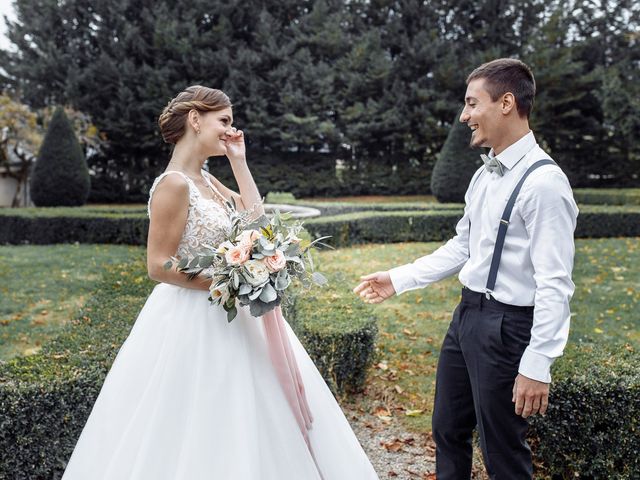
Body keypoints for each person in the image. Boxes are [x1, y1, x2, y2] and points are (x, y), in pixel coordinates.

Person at [62, 85, 378, 480]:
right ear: (196, 120)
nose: (231, 130)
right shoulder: (174, 184)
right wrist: (230, 282)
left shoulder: (209, 182)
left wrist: (239, 162)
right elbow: (158, 266)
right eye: (224, 121)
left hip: (233, 314)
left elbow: (257, 220)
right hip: (192, 319)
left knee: (251, 410)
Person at [354, 58, 578, 479]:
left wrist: (538, 362)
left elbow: (555, 282)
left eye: (472, 103)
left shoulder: (545, 184)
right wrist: (398, 279)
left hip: (508, 327)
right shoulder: (483, 176)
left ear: (506, 103)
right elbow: (463, 247)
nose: (465, 116)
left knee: (502, 452)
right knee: (448, 430)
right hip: (466, 318)